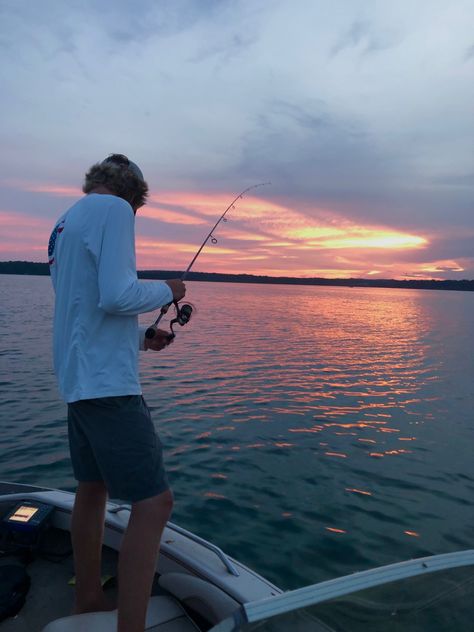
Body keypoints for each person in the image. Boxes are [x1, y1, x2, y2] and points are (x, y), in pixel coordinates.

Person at [48, 154, 186, 632]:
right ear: (134, 196)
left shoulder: (64, 223)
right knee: (155, 502)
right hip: (108, 387)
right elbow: (117, 295)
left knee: (92, 489)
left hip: (79, 380)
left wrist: (141, 340)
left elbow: (87, 306)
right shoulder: (115, 210)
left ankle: (87, 601)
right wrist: (169, 289)